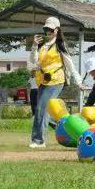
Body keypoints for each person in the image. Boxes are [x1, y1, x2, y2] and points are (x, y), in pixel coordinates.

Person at [27, 16, 80, 149]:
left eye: (51, 29)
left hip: (56, 80)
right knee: (42, 110)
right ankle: (70, 129)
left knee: (42, 109)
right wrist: (34, 46)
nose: (48, 32)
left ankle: (39, 141)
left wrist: (78, 81)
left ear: (57, 30)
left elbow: (70, 64)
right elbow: (34, 61)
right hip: (42, 81)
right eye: (46, 29)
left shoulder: (60, 45)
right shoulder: (43, 46)